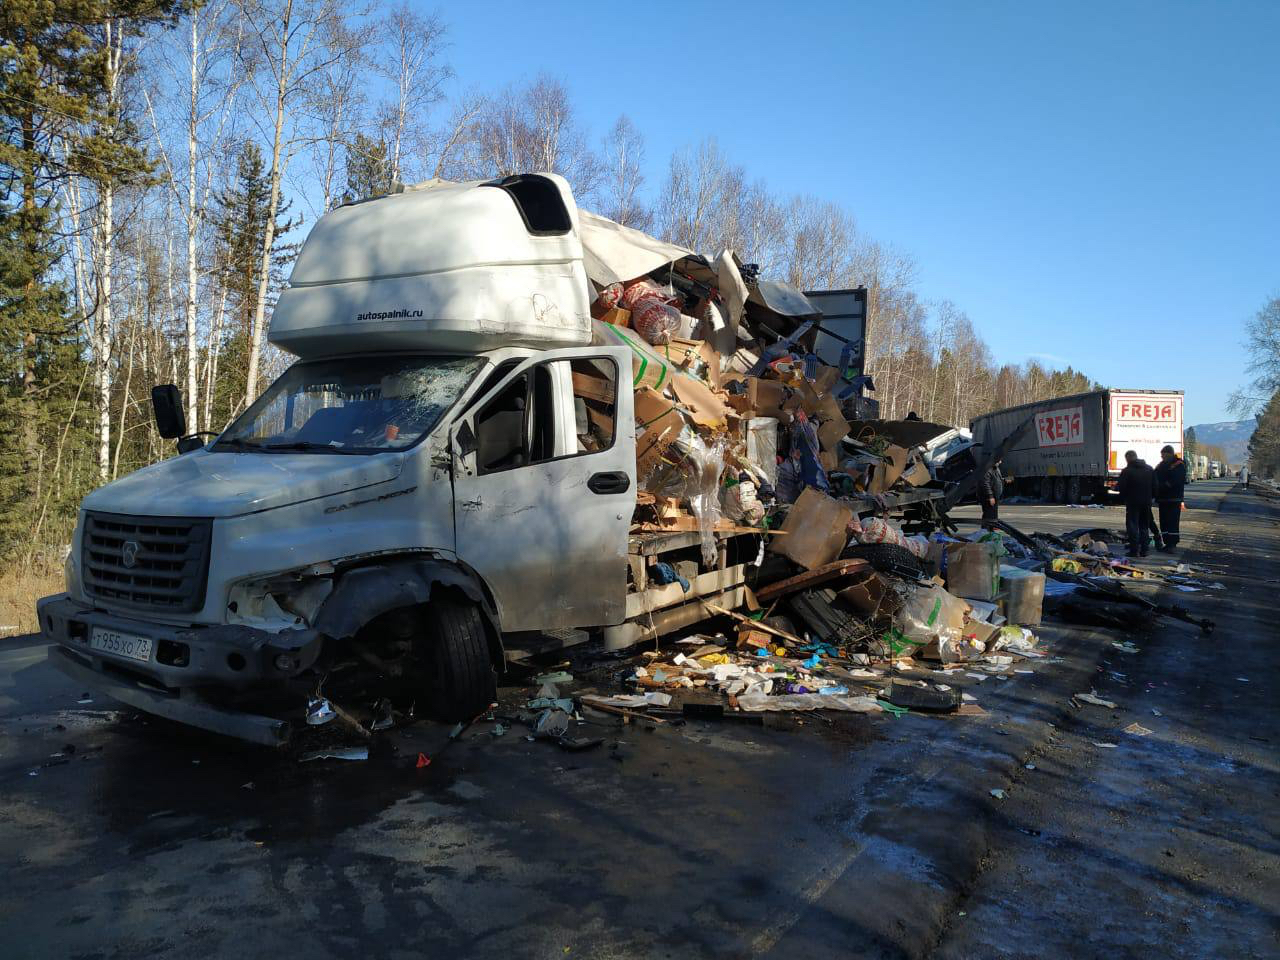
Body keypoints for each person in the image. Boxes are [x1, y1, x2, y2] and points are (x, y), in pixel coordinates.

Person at [1117, 450, 1157, 557]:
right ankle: (1145, 549)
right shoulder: (1149, 469)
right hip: (1146, 502)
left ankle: (1134, 550)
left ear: (1128, 458)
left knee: (1132, 526)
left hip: (1132, 502)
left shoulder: (1127, 471)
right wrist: (1151, 497)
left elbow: (1122, 487)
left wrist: (1123, 498)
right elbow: (1155, 485)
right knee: (1144, 526)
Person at [1153, 444, 1187, 551]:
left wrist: (1162, 486)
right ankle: (1167, 542)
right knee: (1164, 522)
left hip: (1173, 498)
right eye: (1161, 456)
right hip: (1163, 499)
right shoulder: (1161, 465)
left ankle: (1172, 544)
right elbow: (1154, 475)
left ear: (1170, 454)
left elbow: (1175, 481)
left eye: (1163, 455)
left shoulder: (1178, 465)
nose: (1162, 458)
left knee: (1172, 522)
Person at [980, 458, 1003, 527]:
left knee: (993, 516)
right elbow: (985, 483)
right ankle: (985, 531)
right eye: (999, 460)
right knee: (989, 515)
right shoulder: (988, 469)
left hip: (995, 496)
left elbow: (996, 480)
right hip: (989, 497)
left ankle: (990, 531)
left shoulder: (995, 468)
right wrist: (990, 496)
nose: (1000, 462)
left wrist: (1004, 480)